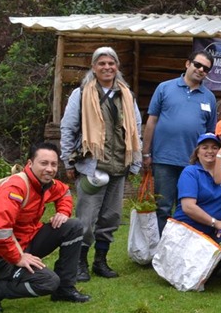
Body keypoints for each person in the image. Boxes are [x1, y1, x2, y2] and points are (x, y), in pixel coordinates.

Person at [60, 46, 142, 282]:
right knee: (86, 220)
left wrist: (134, 163)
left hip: (118, 167)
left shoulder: (127, 95)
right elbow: (68, 128)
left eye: (111, 63)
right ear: (94, 68)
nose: (107, 67)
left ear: (117, 67)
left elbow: (135, 129)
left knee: (111, 218)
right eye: (102, 63)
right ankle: (79, 263)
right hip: (91, 166)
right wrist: (68, 161)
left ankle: (100, 261)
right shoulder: (82, 94)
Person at [0, 142, 90, 312]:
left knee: (73, 225)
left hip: (26, 242)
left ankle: (65, 290)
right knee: (48, 282)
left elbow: (65, 192)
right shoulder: (15, 188)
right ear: (30, 164)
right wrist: (18, 258)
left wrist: (63, 212)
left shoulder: (46, 183)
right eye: (44, 163)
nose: (50, 169)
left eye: (53, 164)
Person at [143, 50, 218, 233]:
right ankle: (163, 252)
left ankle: (182, 251)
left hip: (193, 165)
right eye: (197, 65)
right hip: (164, 159)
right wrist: (146, 153)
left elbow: (210, 133)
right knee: (163, 207)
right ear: (187, 64)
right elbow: (151, 122)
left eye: (205, 68)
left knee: (188, 209)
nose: (200, 70)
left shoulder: (209, 97)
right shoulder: (164, 88)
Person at [173, 133, 221, 239]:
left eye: (215, 148)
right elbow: (188, 207)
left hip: (216, 232)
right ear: (197, 152)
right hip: (187, 229)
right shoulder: (190, 172)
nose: (210, 151)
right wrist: (215, 223)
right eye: (204, 148)